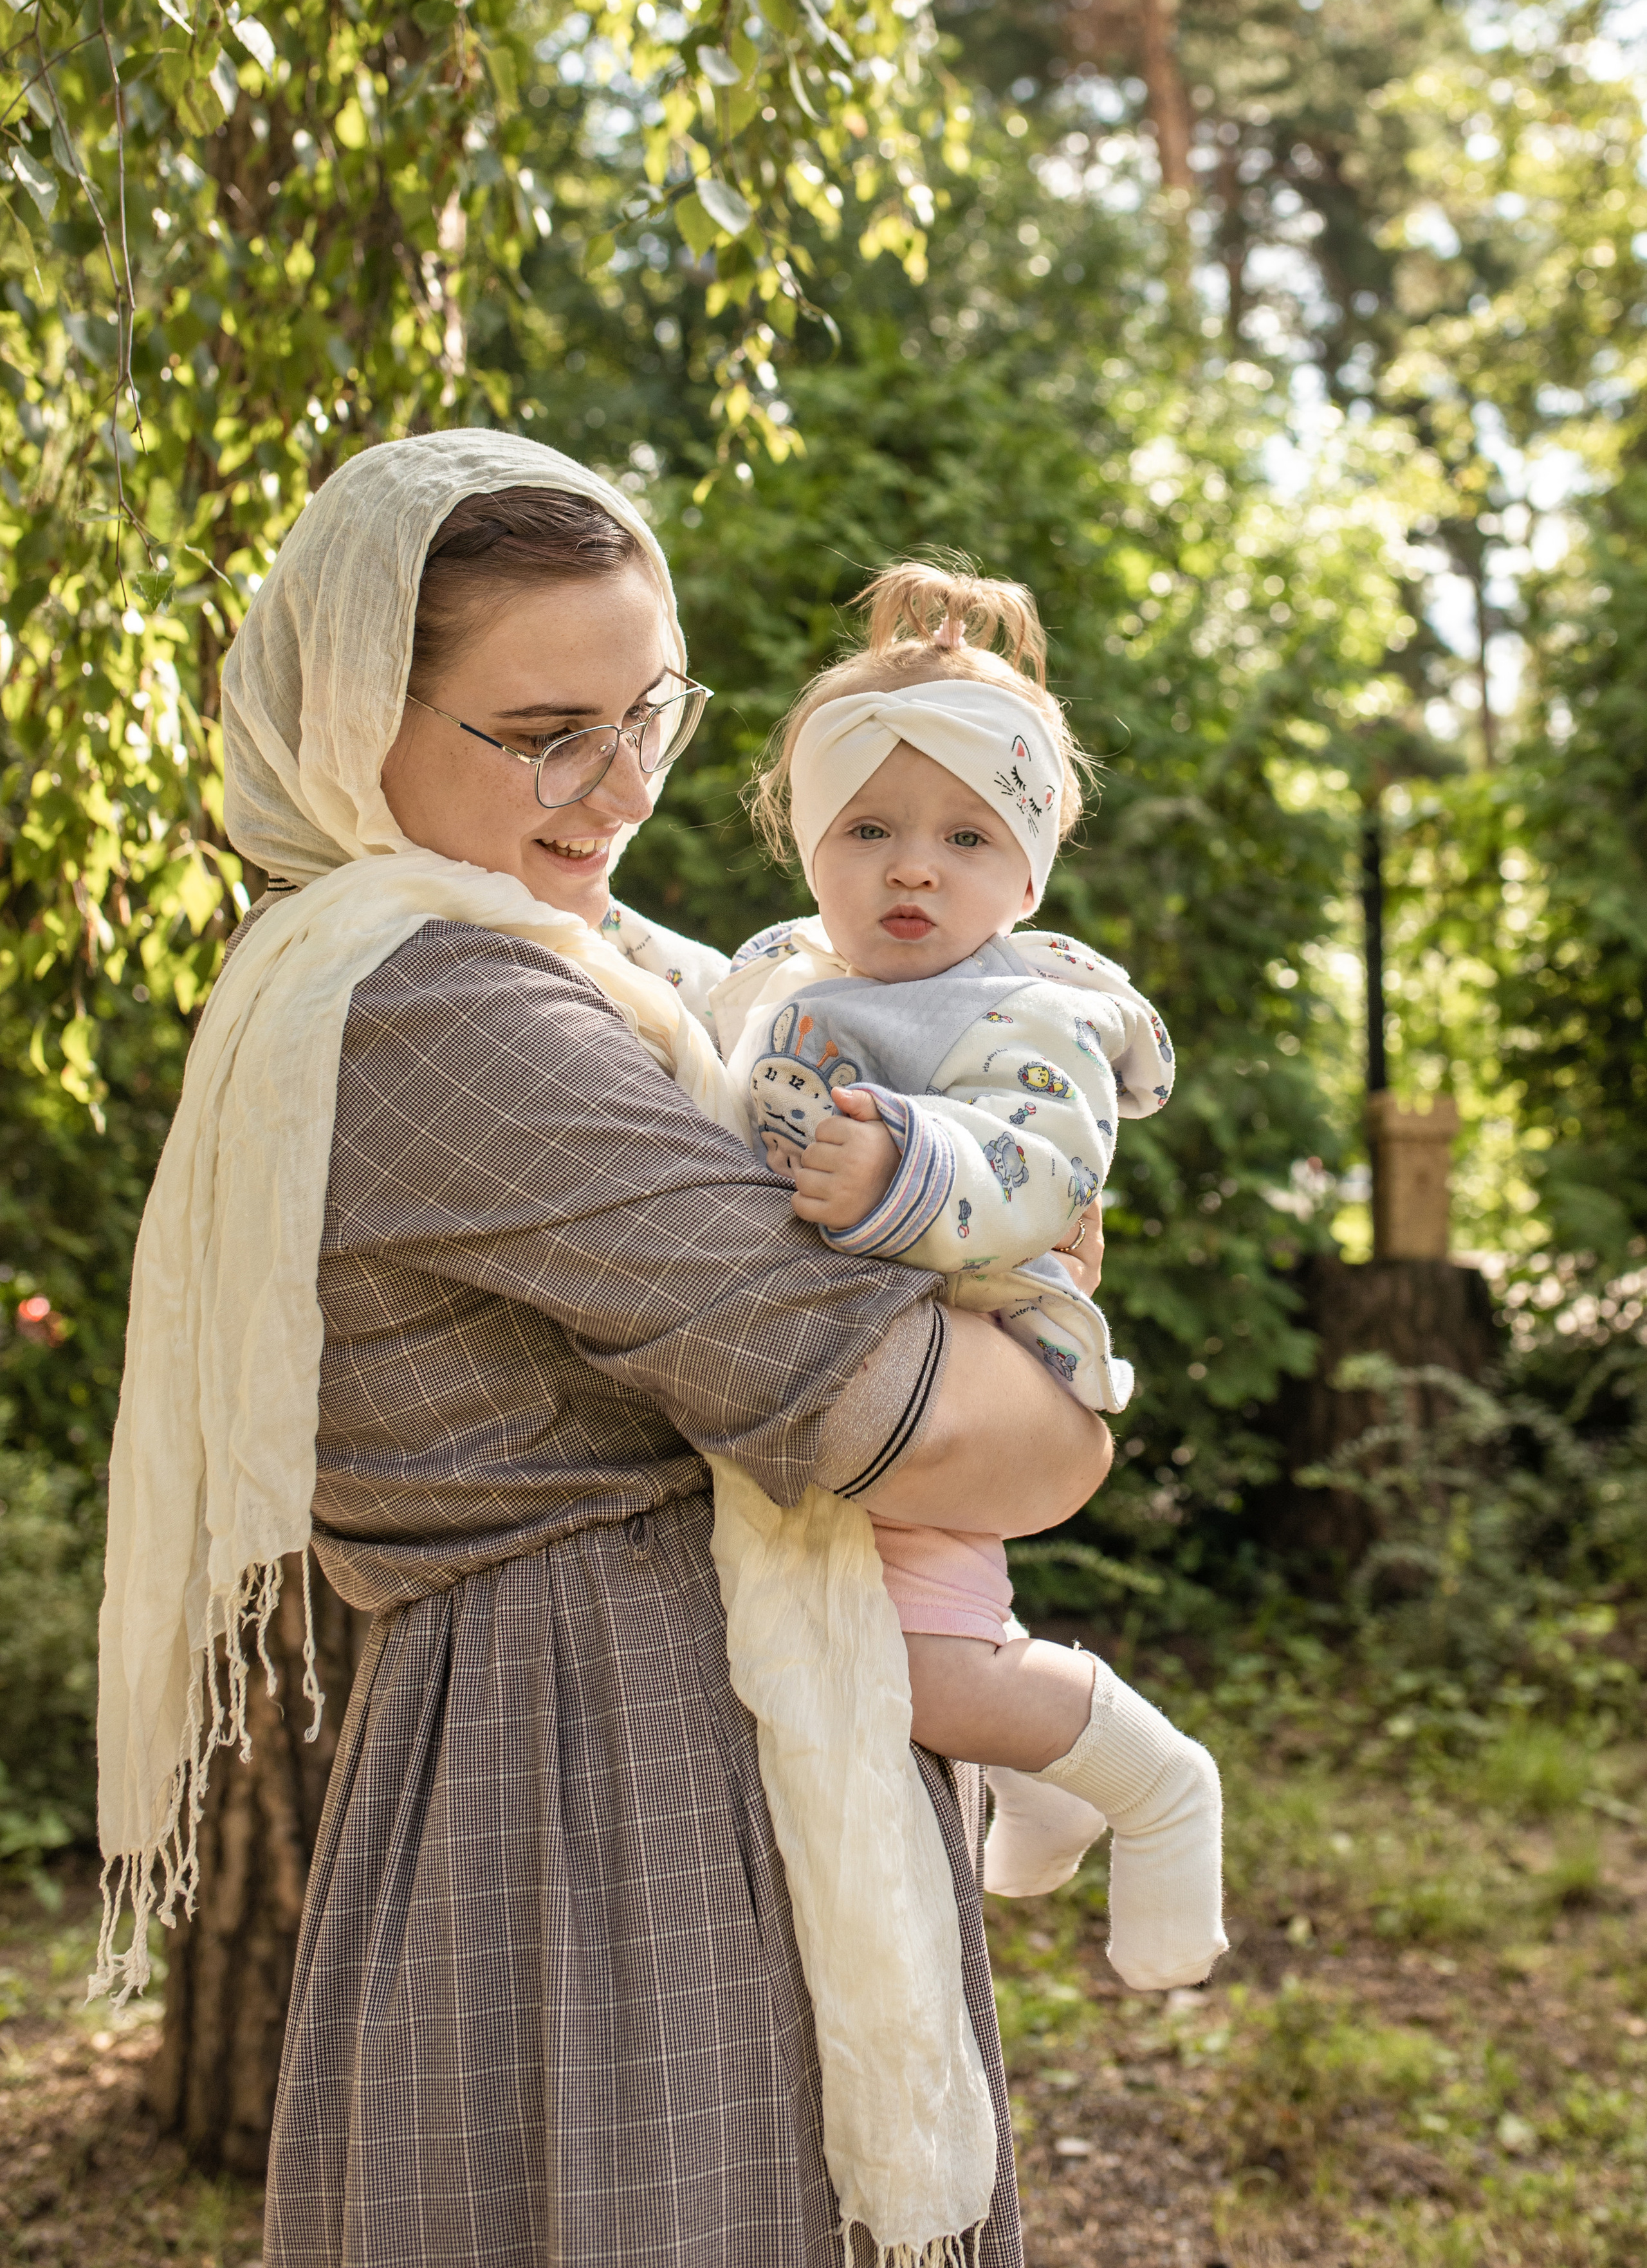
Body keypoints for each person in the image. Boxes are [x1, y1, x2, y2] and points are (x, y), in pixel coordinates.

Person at [93, 431, 1115, 2268]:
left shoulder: (605, 973)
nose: (620, 785)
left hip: (675, 1743)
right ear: (356, 720)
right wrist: (1043, 1316)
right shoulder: (438, 1007)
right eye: (545, 732)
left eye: (651, 713)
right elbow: (983, 1442)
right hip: (599, 1791)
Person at [710, 559, 1227, 1985]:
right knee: (834, 1662)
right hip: (819, 1385)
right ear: (808, 844)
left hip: (961, 1362)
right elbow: (685, 1019)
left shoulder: (1027, 1009)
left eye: (962, 834)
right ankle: (1042, 1781)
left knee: (918, 1672)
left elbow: (1048, 1174)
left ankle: (1145, 1778)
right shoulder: (780, 975)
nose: (911, 868)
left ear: (1029, 864)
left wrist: (907, 1170)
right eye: (864, 828)